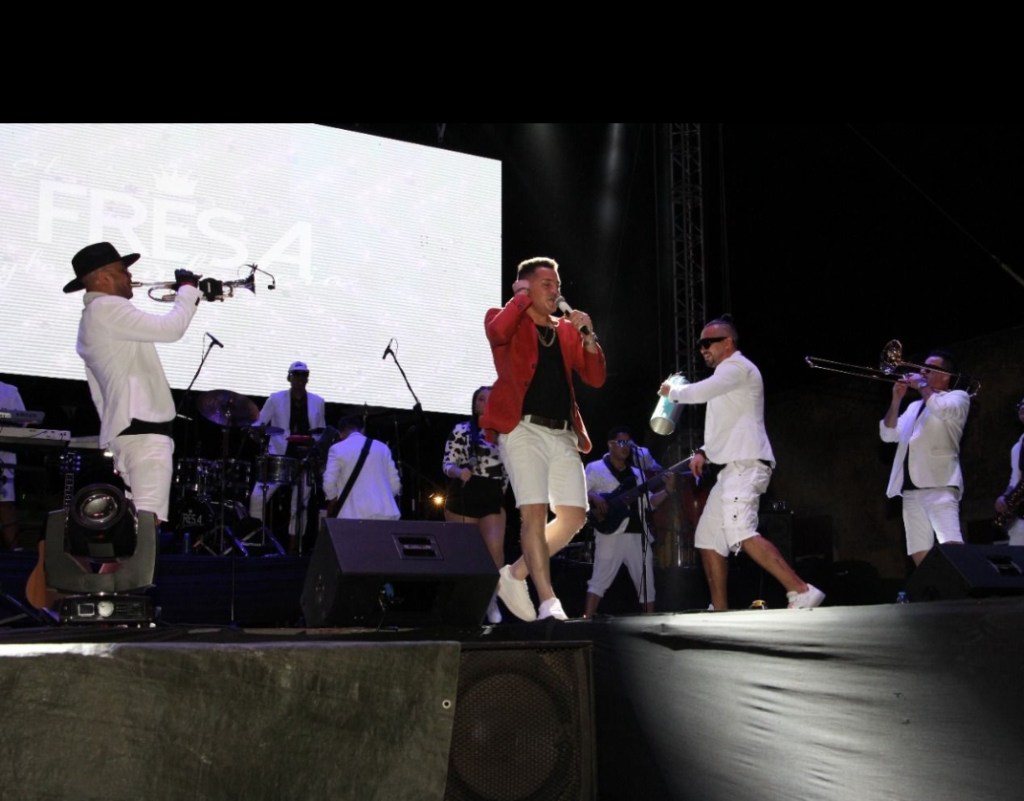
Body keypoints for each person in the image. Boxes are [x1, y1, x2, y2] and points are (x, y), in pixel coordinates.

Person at [659, 315, 824, 611]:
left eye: (707, 342)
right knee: (708, 539)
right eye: (700, 344)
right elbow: (726, 423)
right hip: (731, 470)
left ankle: (801, 590)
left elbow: (700, 392)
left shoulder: (736, 367)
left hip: (746, 464)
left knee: (740, 530)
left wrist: (673, 392)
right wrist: (703, 452)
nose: (702, 349)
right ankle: (720, 609)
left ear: (727, 342)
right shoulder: (726, 379)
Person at [481, 256, 606, 622]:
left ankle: (514, 574)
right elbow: (497, 334)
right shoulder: (505, 318)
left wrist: (588, 337)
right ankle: (549, 602)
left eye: (558, 285)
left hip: (563, 432)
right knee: (533, 512)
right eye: (546, 285)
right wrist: (520, 299)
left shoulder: (565, 330)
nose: (556, 291)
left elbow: (595, 378)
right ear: (526, 288)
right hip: (522, 429)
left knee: (574, 516)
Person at [65, 241, 201, 525]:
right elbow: (171, 329)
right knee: (147, 529)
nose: (130, 276)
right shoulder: (107, 307)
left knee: (133, 530)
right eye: (122, 270)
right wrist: (188, 290)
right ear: (104, 277)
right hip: (143, 434)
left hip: (130, 432)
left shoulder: (95, 315)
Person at [880, 349, 970, 566]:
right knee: (918, 550)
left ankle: (959, 588)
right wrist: (896, 400)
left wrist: (921, 385)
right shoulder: (914, 406)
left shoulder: (958, 397)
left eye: (928, 369)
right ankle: (934, 586)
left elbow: (941, 409)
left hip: (940, 484)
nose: (921, 371)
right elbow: (888, 434)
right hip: (911, 490)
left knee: (951, 545)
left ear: (945, 375)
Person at [583, 426, 672, 618]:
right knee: (599, 579)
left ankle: (650, 622)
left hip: (638, 534)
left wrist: (667, 491)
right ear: (610, 444)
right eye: (621, 442)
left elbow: (649, 503)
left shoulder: (638, 473)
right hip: (610, 533)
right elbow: (579, 491)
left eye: (628, 443)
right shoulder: (595, 468)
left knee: (647, 582)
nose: (626, 447)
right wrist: (594, 496)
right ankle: (586, 619)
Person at [443, 386, 509, 623]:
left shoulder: (505, 433)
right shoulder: (462, 429)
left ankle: (491, 600)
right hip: (465, 493)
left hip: (492, 494)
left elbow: (508, 471)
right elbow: (447, 464)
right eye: (481, 399)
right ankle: (463, 604)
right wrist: (459, 472)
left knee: (494, 553)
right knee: (465, 553)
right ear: (474, 403)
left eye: (490, 399)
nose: (485, 403)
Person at [249, 361, 327, 550]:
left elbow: (321, 431)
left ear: (307, 378)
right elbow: (259, 423)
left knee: (299, 506)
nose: (300, 378)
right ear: (289, 377)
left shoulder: (318, 401)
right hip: (279, 456)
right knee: (258, 497)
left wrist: (317, 450)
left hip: (304, 459)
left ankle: (293, 549)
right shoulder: (275, 398)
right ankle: (255, 539)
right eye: (296, 375)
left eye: (303, 375)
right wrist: (257, 434)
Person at [323, 415, 401, 520]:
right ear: (362, 430)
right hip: (385, 513)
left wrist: (333, 499)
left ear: (340, 434)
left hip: (352, 515)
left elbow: (329, 483)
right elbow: (395, 485)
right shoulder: (382, 447)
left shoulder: (337, 449)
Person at [0, 381, 26, 549]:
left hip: (3, 455)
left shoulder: (8, 391)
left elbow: (23, 420)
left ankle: (14, 550)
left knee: (4, 503)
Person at [995, 396, 1024, 545]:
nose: (1023, 407)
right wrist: (1005, 497)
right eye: (1021, 405)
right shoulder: (1018, 447)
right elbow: (1015, 479)